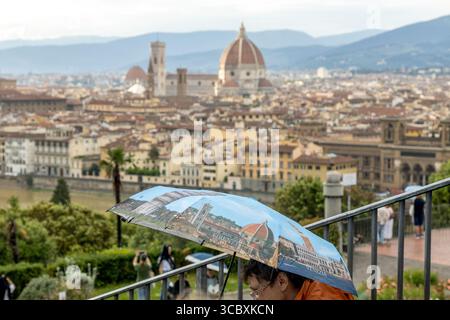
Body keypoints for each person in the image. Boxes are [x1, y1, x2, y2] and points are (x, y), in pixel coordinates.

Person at [244, 259, 354, 300]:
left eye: (257, 291)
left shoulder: (322, 295)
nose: (256, 299)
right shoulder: (296, 293)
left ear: (282, 281)